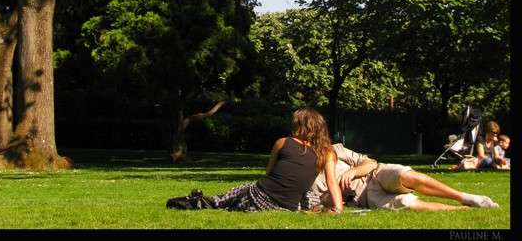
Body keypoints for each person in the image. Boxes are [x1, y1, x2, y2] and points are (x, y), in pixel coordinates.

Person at [166, 108, 344, 213]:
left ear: (300, 127)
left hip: (260, 198)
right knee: (312, 197)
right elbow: (332, 183)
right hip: (286, 206)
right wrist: (338, 209)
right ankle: (205, 200)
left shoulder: (282, 142)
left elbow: (269, 173)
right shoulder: (327, 153)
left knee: (236, 194)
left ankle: (202, 201)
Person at [304, 142, 499, 211]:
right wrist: (332, 199)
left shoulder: (334, 149)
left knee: (404, 174)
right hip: (365, 197)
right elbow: (317, 205)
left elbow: (370, 162)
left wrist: (353, 171)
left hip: (375, 175)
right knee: (407, 204)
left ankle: (465, 197)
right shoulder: (304, 179)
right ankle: (464, 210)